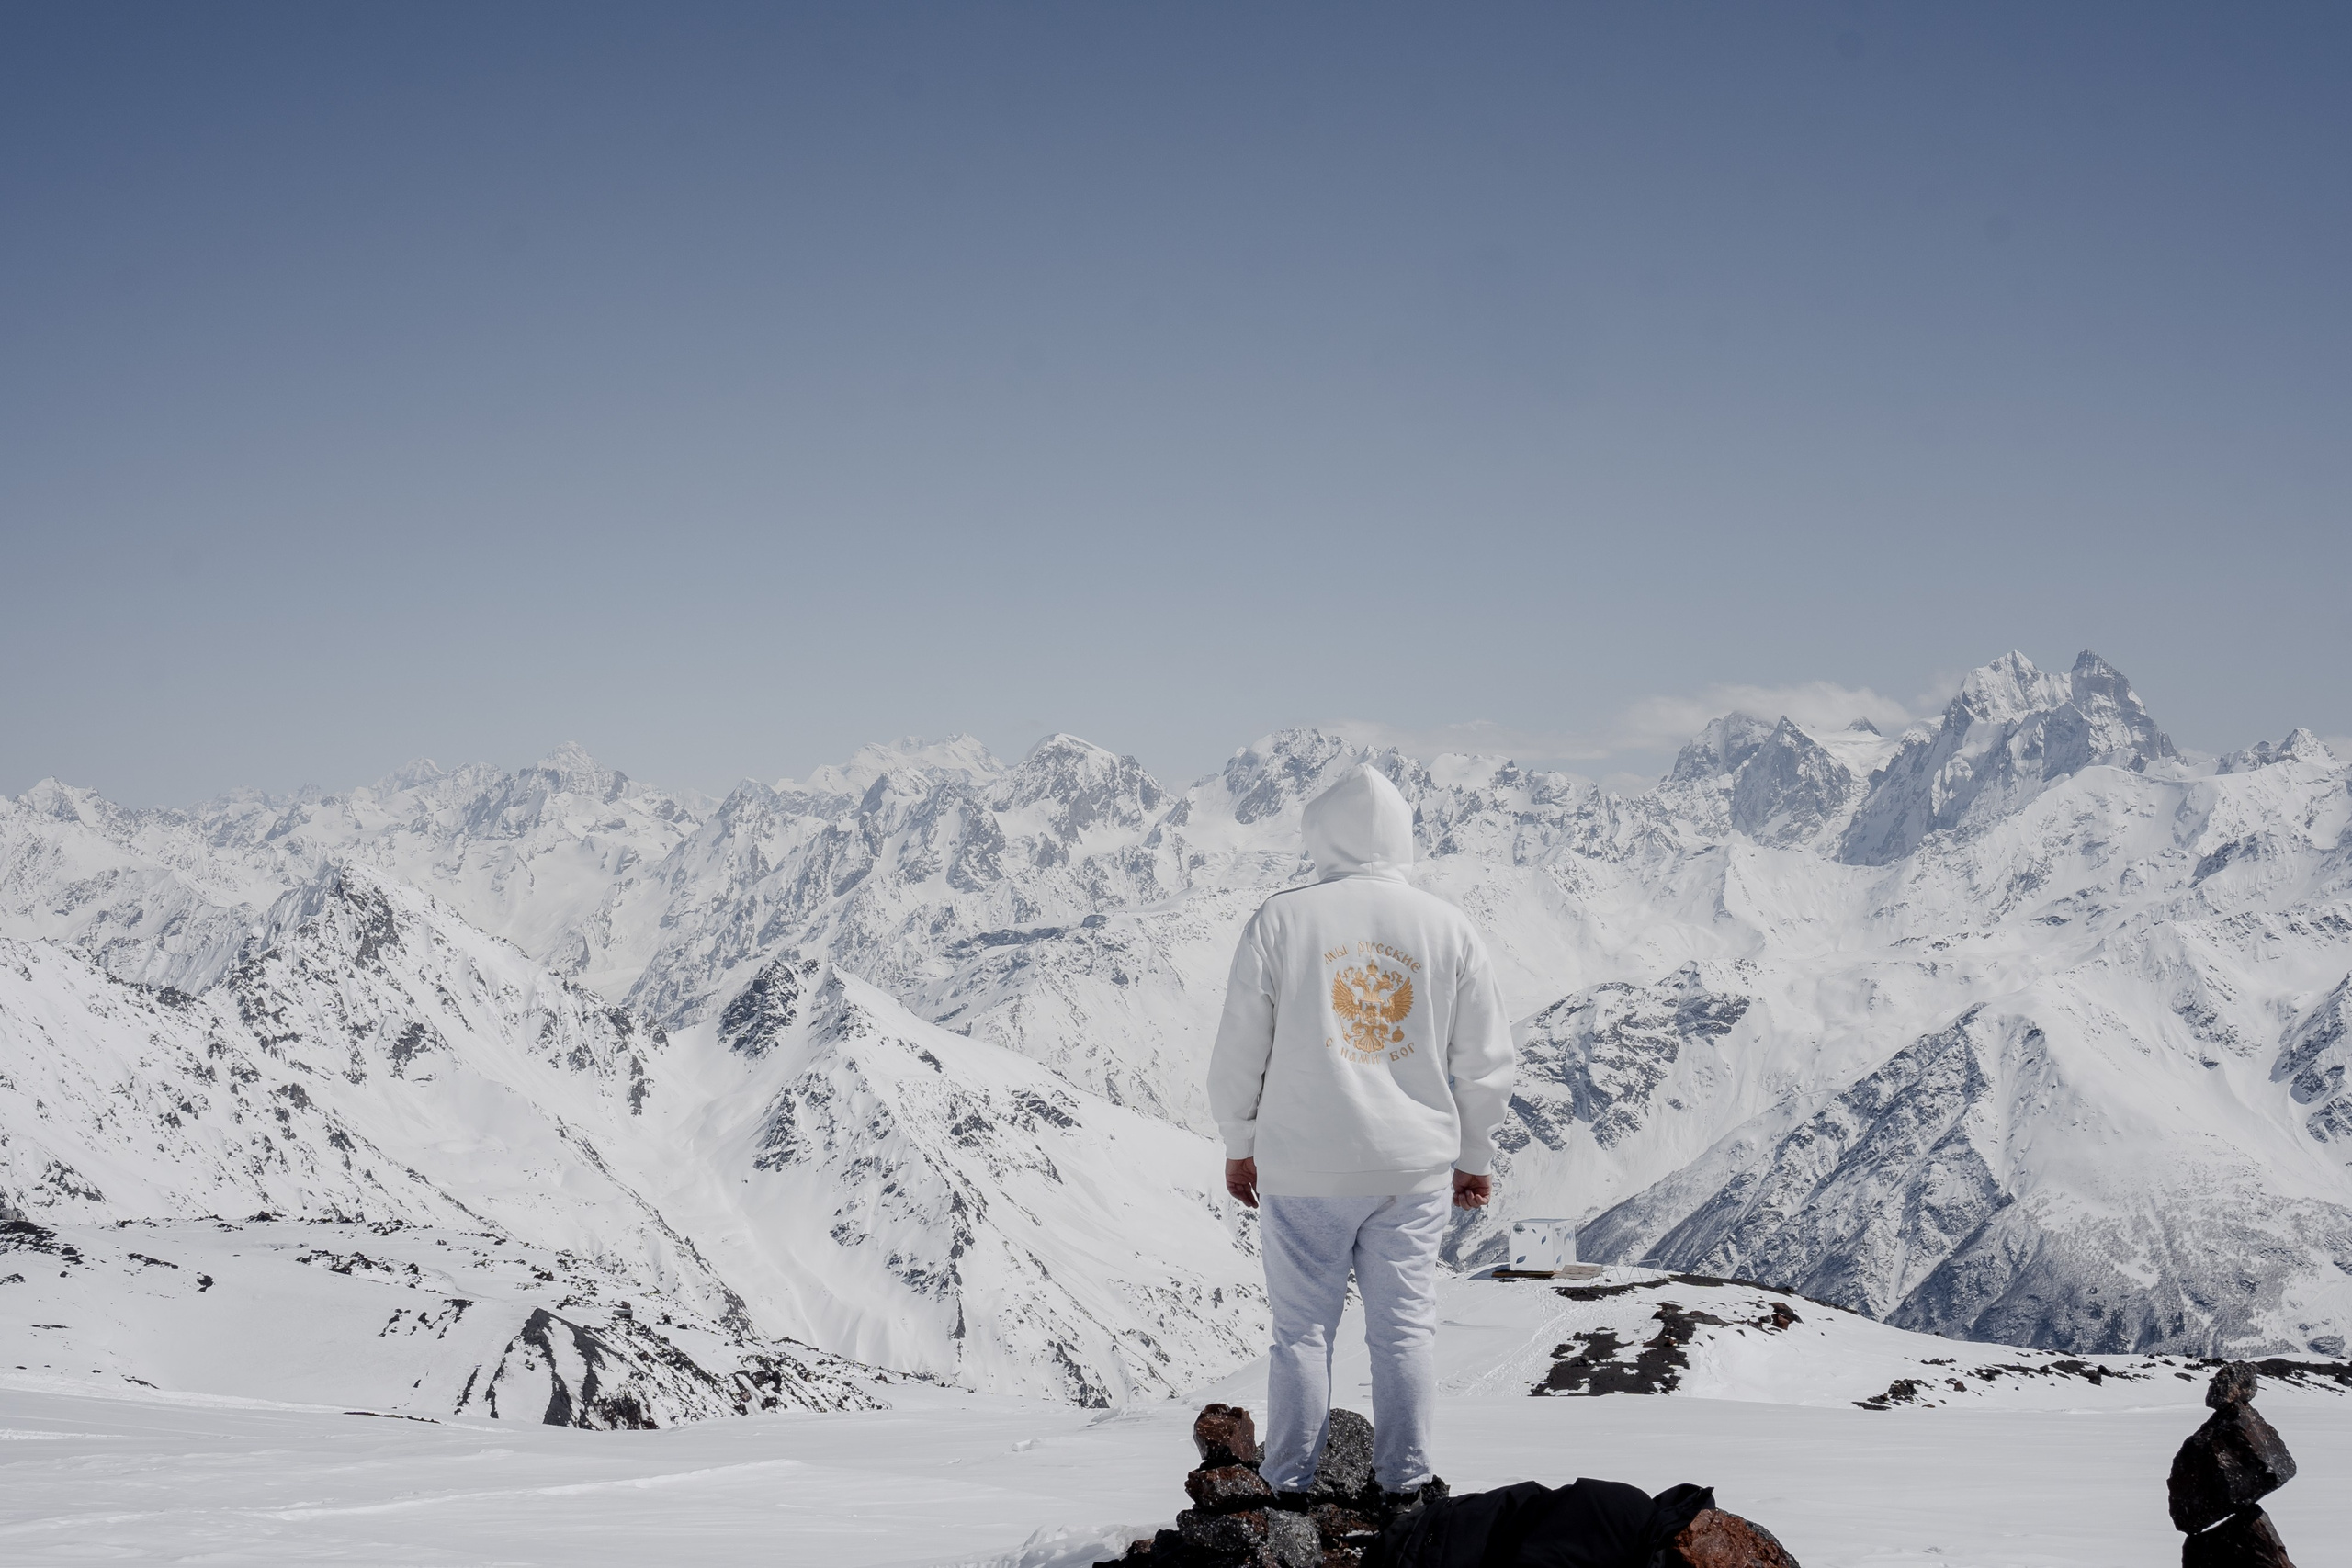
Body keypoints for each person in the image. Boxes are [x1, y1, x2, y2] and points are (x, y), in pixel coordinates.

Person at [1206, 763, 1516, 1512]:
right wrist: (1474, 1156)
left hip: (1303, 1163)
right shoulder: (1448, 927)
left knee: (1303, 1331)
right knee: (1404, 1329)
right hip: (1411, 1166)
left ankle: (1287, 1488)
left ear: (1319, 833)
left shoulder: (1281, 918)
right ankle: (1406, 1487)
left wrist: (1239, 1139)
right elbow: (1484, 1061)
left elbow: (1241, 1048)